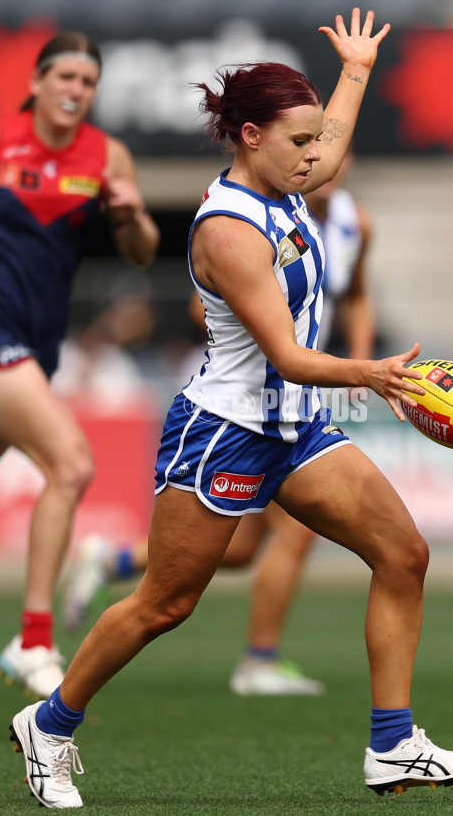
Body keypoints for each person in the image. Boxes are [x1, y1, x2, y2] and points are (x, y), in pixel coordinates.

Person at [9, 10, 453, 809]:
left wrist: (358, 67)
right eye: (298, 142)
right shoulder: (230, 231)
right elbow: (290, 356)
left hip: (294, 425)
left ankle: (393, 742)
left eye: (313, 141)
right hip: (225, 429)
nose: (316, 154)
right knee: (168, 602)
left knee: (404, 554)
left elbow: (331, 145)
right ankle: (49, 724)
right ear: (251, 136)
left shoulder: (290, 177)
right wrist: (372, 373)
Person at [62, 151, 377, 696]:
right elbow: (199, 307)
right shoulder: (250, 220)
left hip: (298, 400)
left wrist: (357, 361)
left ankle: (112, 557)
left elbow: (357, 295)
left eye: (334, 149)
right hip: (240, 405)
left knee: (242, 549)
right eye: (309, 143)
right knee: (263, 552)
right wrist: (276, 337)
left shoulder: (353, 222)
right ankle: (259, 660)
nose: (327, 159)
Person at [0, 31, 159, 701]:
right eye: (65, 77)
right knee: (72, 463)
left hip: (37, 346)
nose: (76, 91)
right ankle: (31, 639)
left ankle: (28, 640)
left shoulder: (107, 156)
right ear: (36, 81)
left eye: (88, 82)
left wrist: (130, 211)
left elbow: (141, 252)